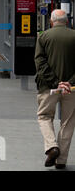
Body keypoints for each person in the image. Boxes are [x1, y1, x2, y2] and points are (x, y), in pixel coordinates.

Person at [35, 9, 75, 169]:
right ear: (67, 21)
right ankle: (61, 160)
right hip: (71, 89)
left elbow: (40, 62)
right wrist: (68, 83)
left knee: (44, 116)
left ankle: (52, 146)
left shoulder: (43, 36)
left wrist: (55, 82)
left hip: (48, 87)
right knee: (68, 121)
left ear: (51, 22)